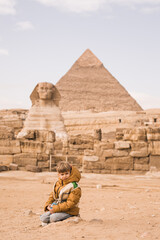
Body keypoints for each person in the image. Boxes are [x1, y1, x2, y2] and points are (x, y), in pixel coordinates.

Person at [40, 161, 81, 226]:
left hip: (70, 210)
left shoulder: (74, 186)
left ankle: (72, 217)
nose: (64, 176)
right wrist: (48, 205)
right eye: (62, 174)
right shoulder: (58, 183)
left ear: (70, 172)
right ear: (58, 174)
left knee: (53, 218)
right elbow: (52, 195)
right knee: (43, 218)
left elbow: (70, 203)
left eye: (66, 173)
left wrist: (55, 209)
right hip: (58, 207)